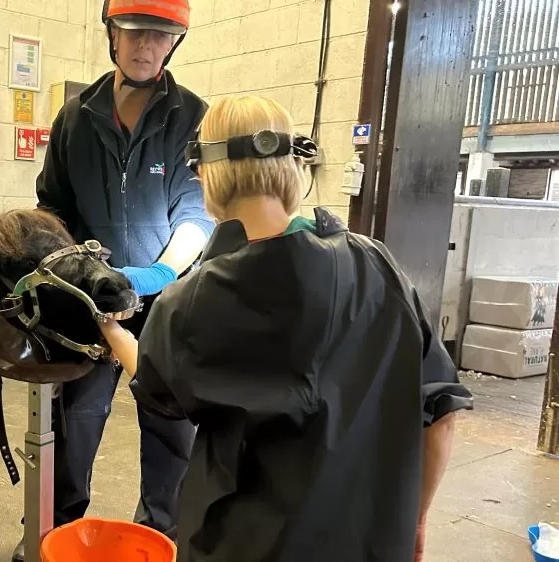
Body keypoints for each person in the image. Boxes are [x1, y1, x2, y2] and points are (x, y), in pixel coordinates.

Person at [95, 94, 475, 562]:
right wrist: (414, 519)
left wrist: (112, 333)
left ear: (205, 174)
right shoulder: (378, 265)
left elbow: (157, 386)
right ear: (293, 164)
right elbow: (442, 408)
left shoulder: (195, 300)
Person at [12, 0, 213, 560]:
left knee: (170, 423)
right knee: (76, 417)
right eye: (135, 34)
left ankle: (159, 536)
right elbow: (52, 205)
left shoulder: (192, 116)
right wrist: (73, 272)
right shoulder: (76, 116)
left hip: (166, 301)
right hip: (92, 302)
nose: (146, 46)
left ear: (174, 43)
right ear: (112, 35)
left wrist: (159, 273)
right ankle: (60, 529)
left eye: (159, 36)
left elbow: (198, 215)